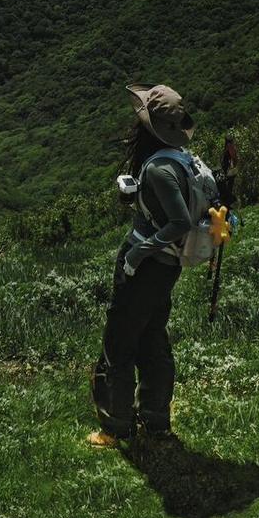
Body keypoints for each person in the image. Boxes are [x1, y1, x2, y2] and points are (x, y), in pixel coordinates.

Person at [89, 83, 197, 448]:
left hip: (147, 265)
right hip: (166, 267)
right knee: (152, 336)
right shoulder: (182, 159)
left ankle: (115, 426)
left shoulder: (159, 169)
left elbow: (179, 222)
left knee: (119, 342)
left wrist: (137, 253)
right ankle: (155, 420)